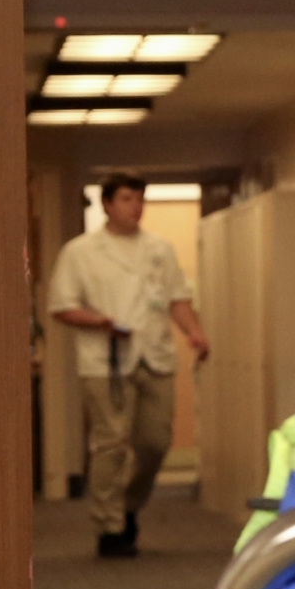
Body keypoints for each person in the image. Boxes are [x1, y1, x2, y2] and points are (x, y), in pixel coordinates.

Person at [47, 172, 208, 557]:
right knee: (110, 445)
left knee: (155, 443)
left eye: (139, 200)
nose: (134, 207)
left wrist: (194, 332)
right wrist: (99, 322)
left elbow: (177, 299)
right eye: (125, 199)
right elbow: (62, 307)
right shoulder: (80, 251)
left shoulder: (159, 249)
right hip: (105, 361)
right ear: (106, 204)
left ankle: (129, 504)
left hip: (154, 356)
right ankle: (110, 525)